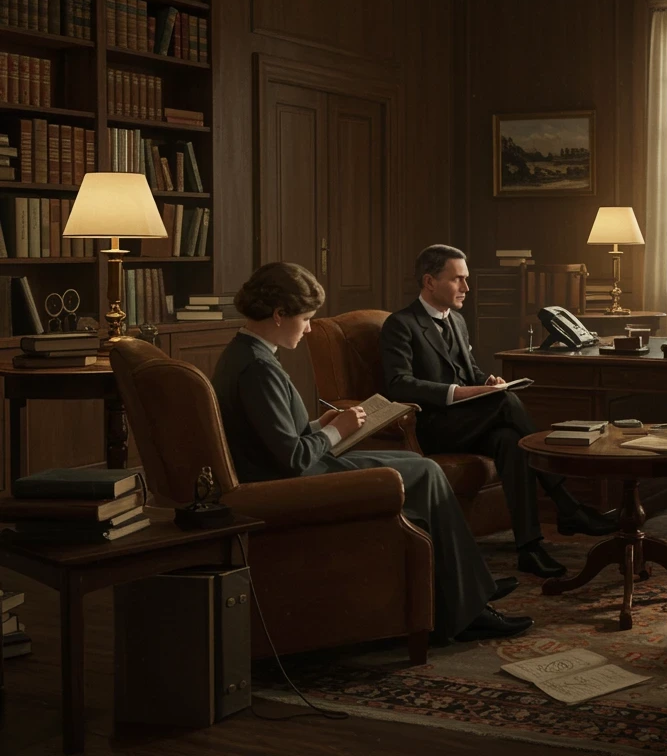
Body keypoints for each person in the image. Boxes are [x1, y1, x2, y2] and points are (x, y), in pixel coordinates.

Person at [211, 262, 532, 644]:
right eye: (307, 318)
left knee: (418, 464)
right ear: (279, 314)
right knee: (427, 472)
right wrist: (335, 430)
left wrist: (320, 425)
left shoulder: (247, 354)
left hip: (300, 468)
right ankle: (468, 609)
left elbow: (274, 436)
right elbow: (292, 459)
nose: (310, 328)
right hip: (294, 483)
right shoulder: (258, 369)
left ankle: (469, 589)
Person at [380, 244, 616, 579]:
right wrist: (461, 392)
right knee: (505, 403)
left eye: (466, 279)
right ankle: (566, 504)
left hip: (466, 421)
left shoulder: (458, 321)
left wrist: (486, 381)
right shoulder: (401, 324)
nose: (466, 288)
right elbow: (398, 385)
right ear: (430, 281)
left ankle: (529, 548)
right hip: (429, 428)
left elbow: (471, 370)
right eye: (458, 280)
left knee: (509, 439)